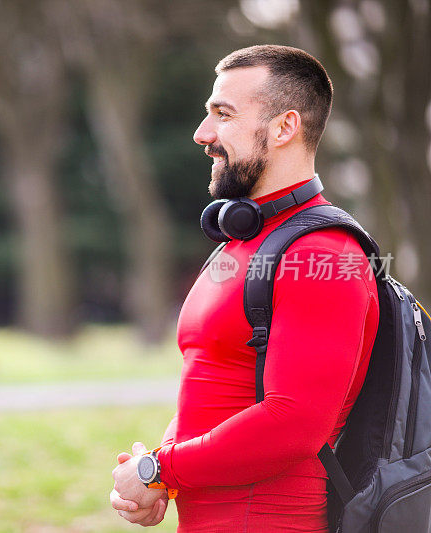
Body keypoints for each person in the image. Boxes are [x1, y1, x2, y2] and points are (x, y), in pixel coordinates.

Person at [110, 45, 380, 531]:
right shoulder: (249, 241)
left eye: (224, 114)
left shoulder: (320, 253)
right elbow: (216, 386)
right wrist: (162, 479)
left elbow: (293, 423)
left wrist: (159, 469)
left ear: (284, 128)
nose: (203, 133)